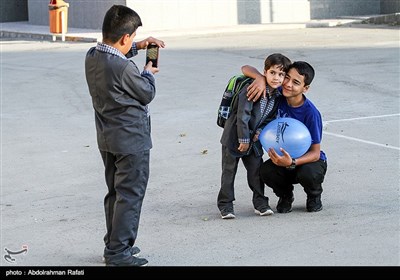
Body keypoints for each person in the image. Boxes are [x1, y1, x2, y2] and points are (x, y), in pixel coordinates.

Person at [85, 5, 165, 266]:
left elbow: (114, 56)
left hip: (108, 138)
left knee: (115, 193)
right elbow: (145, 92)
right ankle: (119, 254)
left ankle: (114, 244)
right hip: (131, 140)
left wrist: (140, 45)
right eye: (131, 38)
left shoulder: (92, 55)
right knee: (130, 194)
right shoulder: (124, 69)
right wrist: (148, 72)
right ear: (124, 38)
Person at [242, 61, 328, 213]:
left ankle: (314, 195)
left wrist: (292, 162)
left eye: (296, 82)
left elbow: (315, 153)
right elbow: (245, 68)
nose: (288, 84)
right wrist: (260, 78)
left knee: (308, 173)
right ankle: (286, 196)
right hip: (284, 158)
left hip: (306, 160)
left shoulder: (311, 114)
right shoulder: (278, 94)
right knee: (266, 171)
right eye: (287, 78)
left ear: (305, 88)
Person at [218, 53, 291, 219]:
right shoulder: (253, 88)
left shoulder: (277, 96)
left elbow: (271, 117)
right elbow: (242, 115)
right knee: (229, 172)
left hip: (254, 139)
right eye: (273, 73)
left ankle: (260, 203)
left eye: (281, 75)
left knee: (256, 171)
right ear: (265, 72)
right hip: (234, 137)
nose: (276, 78)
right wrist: (243, 139)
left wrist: (260, 132)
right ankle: (225, 205)